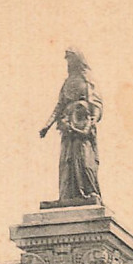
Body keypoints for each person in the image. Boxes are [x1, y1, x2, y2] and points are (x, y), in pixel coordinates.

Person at [39, 49, 102, 204]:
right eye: (67, 59)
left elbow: (97, 104)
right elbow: (59, 107)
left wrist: (92, 119)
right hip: (67, 129)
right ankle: (67, 197)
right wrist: (47, 126)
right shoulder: (67, 83)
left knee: (85, 161)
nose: (68, 62)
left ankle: (89, 192)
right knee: (67, 162)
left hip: (83, 128)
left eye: (70, 58)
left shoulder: (87, 80)